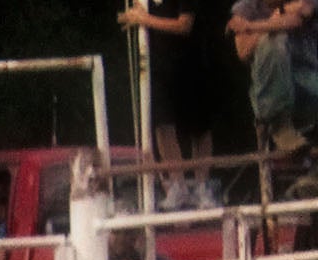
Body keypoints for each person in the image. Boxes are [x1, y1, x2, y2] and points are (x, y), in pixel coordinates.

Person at [120, 2, 212, 200]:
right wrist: (132, 17)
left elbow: (184, 25)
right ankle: (177, 185)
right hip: (158, 68)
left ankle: (202, 185)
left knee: (199, 129)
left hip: (189, 64)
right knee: (163, 126)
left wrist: (144, 20)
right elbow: (131, 17)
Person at [232, 0, 318, 152]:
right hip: (273, 91)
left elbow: (295, 19)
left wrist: (251, 26)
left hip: (306, 82)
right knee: (273, 39)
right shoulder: (247, 7)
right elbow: (243, 51)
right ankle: (280, 126)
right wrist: (274, 21)